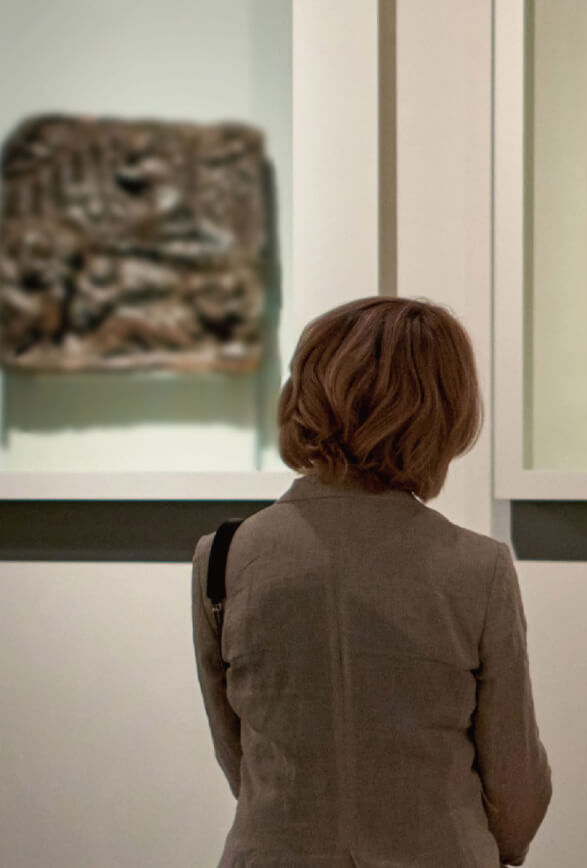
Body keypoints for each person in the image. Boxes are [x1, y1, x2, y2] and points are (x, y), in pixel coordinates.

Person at [192, 296, 552, 867]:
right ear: (442, 412)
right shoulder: (477, 567)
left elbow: (243, 762)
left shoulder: (223, 557)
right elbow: (515, 789)